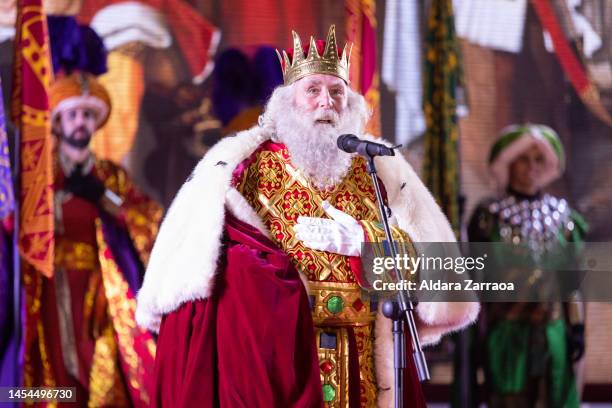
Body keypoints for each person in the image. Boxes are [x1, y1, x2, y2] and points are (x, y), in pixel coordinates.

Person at [136, 25, 479, 407]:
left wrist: (368, 241)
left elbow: (427, 262)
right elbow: (209, 265)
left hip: (365, 353)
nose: (326, 102)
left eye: (336, 92)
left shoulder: (377, 167)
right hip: (282, 361)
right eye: (312, 90)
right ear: (288, 102)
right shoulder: (243, 169)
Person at [10, 72, 163, 406]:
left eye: (87, 115)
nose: (80, 122)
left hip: (100, 289)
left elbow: (147, 219)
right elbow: (16, 225)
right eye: (73, 115)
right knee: (53, 363)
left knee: (98, 360)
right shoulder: (39, 176)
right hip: (48, 286)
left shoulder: (111, 176)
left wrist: (104, 198)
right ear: (58, 123)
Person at [468, 124, 587, 407]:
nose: (532, 167)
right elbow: (476, 283)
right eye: (524, 158)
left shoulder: (563, 218)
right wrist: (475, 337)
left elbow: (570, 282)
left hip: (553, 334)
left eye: (538, 159)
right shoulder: (488, 219)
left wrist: (576, 328)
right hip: (508, 335)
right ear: (508, 163)